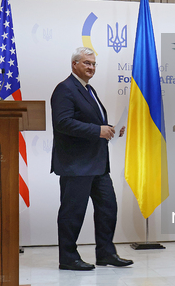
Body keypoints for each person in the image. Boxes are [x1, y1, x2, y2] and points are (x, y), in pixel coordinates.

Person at [51, 47, 133, 271]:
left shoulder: (89, 90)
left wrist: (110, 130)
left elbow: (90, 123)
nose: (91, 67)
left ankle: (106, 253)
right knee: (72, 212)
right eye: (87, 63)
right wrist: (98, 130)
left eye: (94, 64)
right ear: (74, 64)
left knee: (108, 207)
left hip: (97, 163)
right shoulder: (65, 89)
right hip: (75, 164)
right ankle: (67, 257)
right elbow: (63, 123)